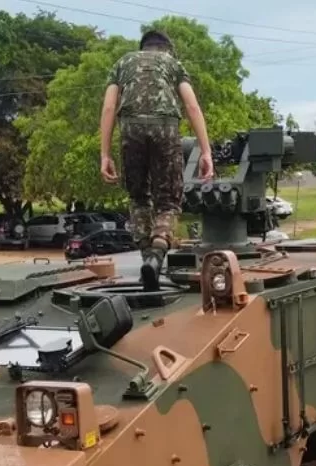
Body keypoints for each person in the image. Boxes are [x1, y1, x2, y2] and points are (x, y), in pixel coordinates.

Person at [100, 29, 214, 290]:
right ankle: (157, 256)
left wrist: (105, 154)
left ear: (143, 48)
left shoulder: (123, 63)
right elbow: (192, 106)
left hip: (131, 128)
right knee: (169, 201)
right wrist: (205, 151)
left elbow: (108, 108)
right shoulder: (173, 64)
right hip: (165, 127)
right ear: (167, 50)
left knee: (138, 197)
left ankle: (147, 262)